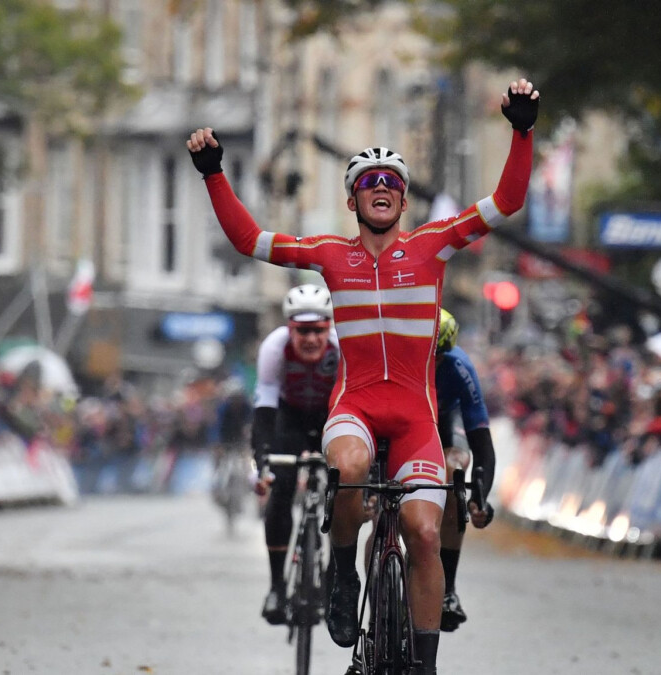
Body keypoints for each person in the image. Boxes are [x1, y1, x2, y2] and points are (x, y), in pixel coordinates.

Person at [187, 78, 538, 675]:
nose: (381, 189)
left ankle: (423, 663)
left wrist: (522, 130)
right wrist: (214, 174)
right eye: (368, 184)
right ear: (353, 202)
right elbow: (250, 239)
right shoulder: (329, 253)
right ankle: (343, 573)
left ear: (404, 202)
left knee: (425, 532)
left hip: (416, 417)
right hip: (355, 407)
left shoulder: (434, 245)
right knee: (348, 470)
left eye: (392, 185)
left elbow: (506, 202)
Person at [251, 284, 341, 625]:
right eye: (302, 330)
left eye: (318, 330)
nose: (311, 339)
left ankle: (335, 578)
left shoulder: (341, 347)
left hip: (330, 414)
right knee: (281, 486)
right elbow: (264, 407)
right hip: (288, 417)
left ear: (328, 329)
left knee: (344, 491)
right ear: (290, 329)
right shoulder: (274, 347)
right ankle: (276, 587)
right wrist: (262, 462)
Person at [433, 308, 495, 632]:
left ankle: (448, 590)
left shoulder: (459, 367)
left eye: (438, 357)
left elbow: (482, 442)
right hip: (404, 414)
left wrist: (478, 497)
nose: (431, 365)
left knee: (454, 470)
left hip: (446, 419)